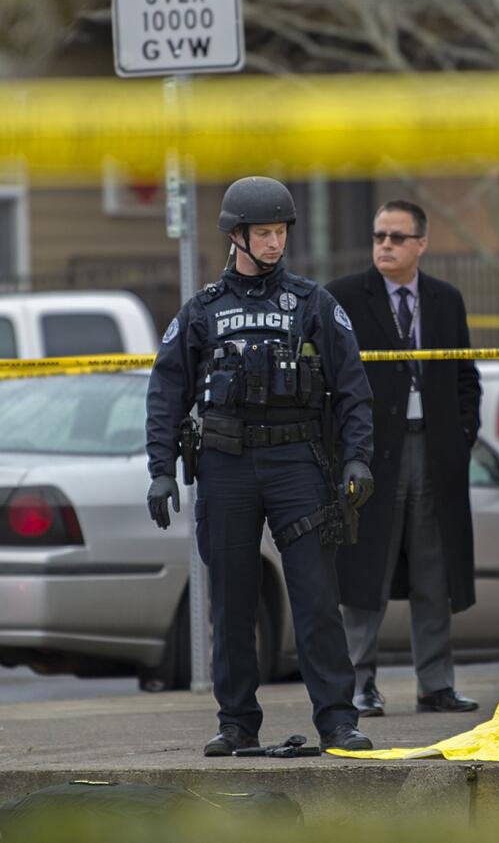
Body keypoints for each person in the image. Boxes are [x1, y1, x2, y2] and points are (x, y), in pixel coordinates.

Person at [145, 176, 376, 755]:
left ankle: (338, 722)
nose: (275, 243)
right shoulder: (201, 310)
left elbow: (353, 388)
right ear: (236, 236)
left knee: (316, 596)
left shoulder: (313, 303)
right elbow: (166, 391)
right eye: (265, 233)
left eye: (280, 232)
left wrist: (357, 458)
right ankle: (237, 724)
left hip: (298, 462)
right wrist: (160, 468)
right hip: (225, 464)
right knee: (233, 599)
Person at [326, 200, 482, 715]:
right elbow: (329, 381)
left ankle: (435, 683)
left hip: (433, 452)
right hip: (372, 455)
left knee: (434, 573)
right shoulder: (344, 298)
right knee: (364, 569)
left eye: (397, 237)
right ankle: (358, 684)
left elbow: (465, 378)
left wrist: (462, 436)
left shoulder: (444, 300)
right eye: (378, 237)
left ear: (421, 244)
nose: (385, 245)